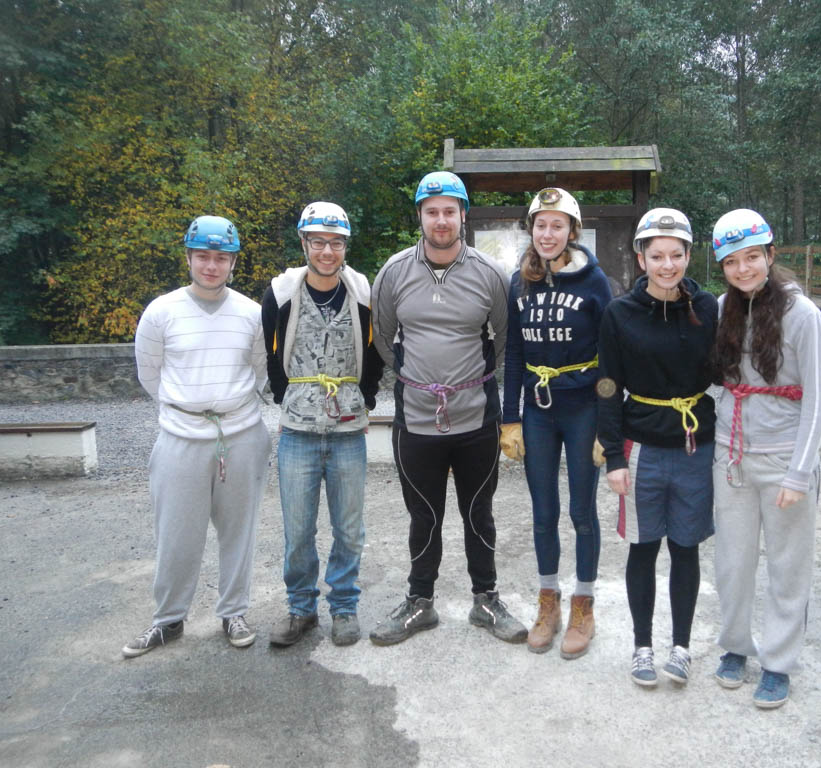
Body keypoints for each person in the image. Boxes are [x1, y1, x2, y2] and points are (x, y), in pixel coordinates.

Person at [369, 171, 527, 645]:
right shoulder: (394, 272)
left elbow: (502, 338)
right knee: (424, 515)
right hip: (417, 418)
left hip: (476, 416)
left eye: (449, 211)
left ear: (463, 216)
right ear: (419, 216)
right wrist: (418, 377)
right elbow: (383, 338)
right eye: (432, 211)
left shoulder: (489, 273)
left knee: (479, 512)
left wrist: (464, 379)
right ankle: (420, 601)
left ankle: (486, 599)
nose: (441, 220)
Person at [126, 215, 271, 657]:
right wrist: (190, 407)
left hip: (241, 434)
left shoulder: (252, 313)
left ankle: (234, 612)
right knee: (176, 533)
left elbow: (261, 372)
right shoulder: (161, 312)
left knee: (239, 532)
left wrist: (225, 407)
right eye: (203, 256)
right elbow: (150, 375)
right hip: (181, 437)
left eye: (221, 258)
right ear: (188, 258)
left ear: (233, 263)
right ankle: (168, 619)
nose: (211, 266)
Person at [709, 208, 821, 709]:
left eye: (752, 257)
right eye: (731, 261)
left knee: (787, 564)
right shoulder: (722, 308)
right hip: (731, 455)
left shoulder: (803, 315)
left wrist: (799, 472)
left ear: (770, 255)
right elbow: (713, 378)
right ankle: (736, 646)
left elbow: (818, 398)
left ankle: (778, 662)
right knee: (732, 561)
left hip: (783, 457)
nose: (743, 269)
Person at [596, 208, 717, 686]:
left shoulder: (708, 309)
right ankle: (642, 646)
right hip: (642, 446)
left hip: (695, 447)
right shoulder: (620, 313)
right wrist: (613, 456)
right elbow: (608, 385)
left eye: (676, 255)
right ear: (641, 258)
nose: (667, 265)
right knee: (643, 548)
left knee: (686, 547)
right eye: (657, 255)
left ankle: (681, 647)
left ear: (689, 255)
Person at [261, 202, 383, 648]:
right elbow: (272, 352)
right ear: (304, 243)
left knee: (349, 529)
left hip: (349, 431)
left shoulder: (362, 294)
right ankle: (301, 608)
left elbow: (374, 354)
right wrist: (289, 400)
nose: (327, 251)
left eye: (336, 243)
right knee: (298, 530)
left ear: (346, 245)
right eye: (318, 242)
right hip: (297, 432)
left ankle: (344, 606)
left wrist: (364, 399)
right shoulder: (280, 294)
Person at [501, 188, 613, 658]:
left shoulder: (594, 281)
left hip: (583, 408)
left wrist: (609, 424)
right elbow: (514, 353)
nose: (548, 234)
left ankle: (584, 604)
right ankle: (548, 601)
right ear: (531, 229)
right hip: (539, 412)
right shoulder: (519, 283)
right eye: (540, 225)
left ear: (573, 230)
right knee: (543, 511)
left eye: (557, 225)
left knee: (582, 511)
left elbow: (610, 356)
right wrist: (510, 418)